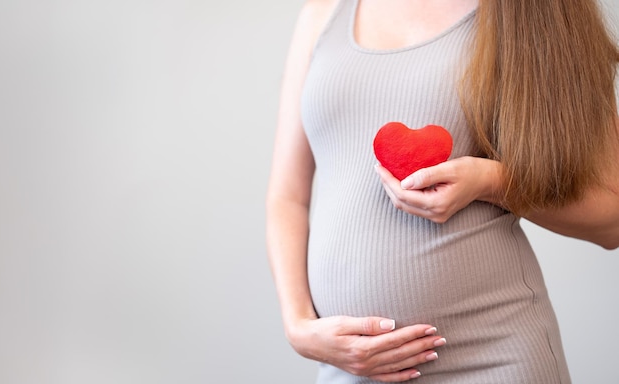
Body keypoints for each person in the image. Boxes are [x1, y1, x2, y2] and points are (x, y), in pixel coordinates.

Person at [265, 0, 619, 382]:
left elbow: (611, 220)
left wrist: (491, 181)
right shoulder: (324, 14)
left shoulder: (537, 12)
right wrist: (298, 325)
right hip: (352, 367)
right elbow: (287, 197)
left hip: (494, 359)